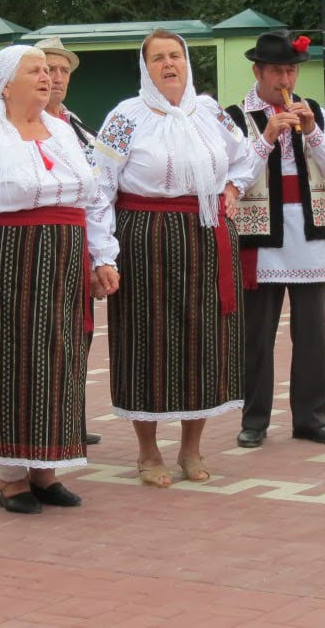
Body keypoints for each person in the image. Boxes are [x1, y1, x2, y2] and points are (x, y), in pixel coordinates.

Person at [0, 45, 107, 514]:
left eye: (48, 70)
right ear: (6, 85)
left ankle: (46, 471)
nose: (46, 77)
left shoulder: (65, 133)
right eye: (34, 71)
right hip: (4, 262)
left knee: (59, 361)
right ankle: (10, 478)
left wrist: (102, 257)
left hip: (64, 264)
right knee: (7, 361)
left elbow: (94, 198)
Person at [92, 29, 255, 487]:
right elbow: (100, 186)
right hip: (146, 237)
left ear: (187, 62)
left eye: (176, 56)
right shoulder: (125, 117)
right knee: (146, 339)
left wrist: (232, 186)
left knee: (203, 340)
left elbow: (244, 157)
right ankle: (148, 451)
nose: (169, 64)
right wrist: (103, 253)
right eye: (158, 58)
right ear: (145, 68)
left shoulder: (210, 111)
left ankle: (191, 449)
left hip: (206, 234)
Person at [224, 31, 325, 449]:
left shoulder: (313, 111)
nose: (286, 79)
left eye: (292, 71)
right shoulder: (234, 116)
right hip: (259, 240)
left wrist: (312, 131)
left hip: (309, 238)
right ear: (258, 72)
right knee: (256, 336)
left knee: (313, 335)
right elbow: (232, 178)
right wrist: (266, 138)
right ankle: (254, 420)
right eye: (278, 71)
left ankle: (312, 419)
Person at [33, 36, 102, 447]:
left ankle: (72, 417)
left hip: (79, 243)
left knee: (80, 334)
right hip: (38, 244)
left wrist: (101, 255)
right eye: (48, 69)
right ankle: (48, 422)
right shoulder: (18, 125)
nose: (56, 77)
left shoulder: (77, 126)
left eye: (62, 71)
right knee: (45, 335)